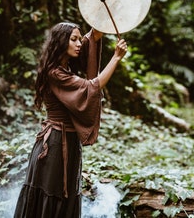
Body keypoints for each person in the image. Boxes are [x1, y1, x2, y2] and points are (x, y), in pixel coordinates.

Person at [14, 22, 127, 218]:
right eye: (73, 39)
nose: (78, 44)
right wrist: (116, 57)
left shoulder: (65, 66)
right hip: (55, 145)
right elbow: (91, 87)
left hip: (70, 143)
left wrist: (97, 27)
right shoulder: (55, 73)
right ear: (60, 43)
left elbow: (90, 41)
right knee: (53, 197)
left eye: (78, 39)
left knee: (66, 197)